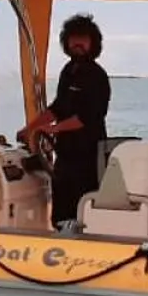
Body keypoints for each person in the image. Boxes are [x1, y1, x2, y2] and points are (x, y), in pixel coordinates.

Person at [21, 12, 111, 230]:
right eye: (73, 38)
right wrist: (30, 127)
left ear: (93, 43)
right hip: (65, 155)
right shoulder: (68, 72)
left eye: (83, 39)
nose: (77, 43)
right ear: (66, 41)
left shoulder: (97, 76)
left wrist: (54, 129)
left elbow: (89, 117)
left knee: (81, 208)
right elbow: (58, 107)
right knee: (61, 208)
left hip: (88, 156)